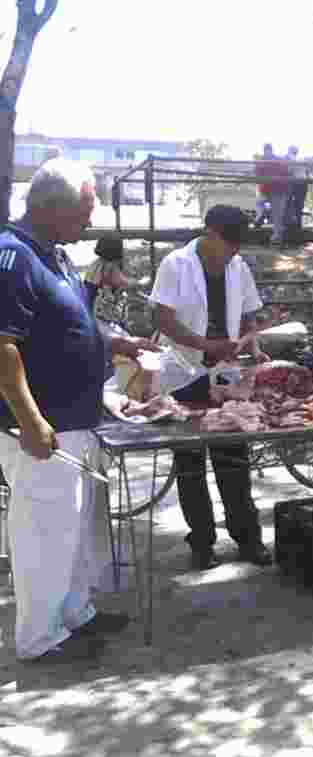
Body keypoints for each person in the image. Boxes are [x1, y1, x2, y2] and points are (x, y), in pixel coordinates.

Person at [0, 158, 159, 662]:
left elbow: (72, 325)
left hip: (79, 421)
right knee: (44, 533)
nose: (90, 224)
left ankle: (75, 614)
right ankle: (39, 639)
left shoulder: (57, 255)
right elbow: (3, 347)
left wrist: (118, 341)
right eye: (85, 212)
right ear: (52, 208)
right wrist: (30, 421)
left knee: (77, 531)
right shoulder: (14, 256)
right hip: (44, 430)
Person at [149, 205, 274, 570]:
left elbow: (249, 313)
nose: (233, 250)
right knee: (190, 463)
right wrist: (206, 345)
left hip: (226, 372)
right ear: (209, 233)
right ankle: (201, 543)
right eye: (228, 242)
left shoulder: (238, 266)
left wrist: (252, 343)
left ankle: (247, 537)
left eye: (238, 244)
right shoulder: (176, 264)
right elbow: (164, 320)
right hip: (184, 372)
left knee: (234, 456)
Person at [254, 143, 290, 245]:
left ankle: (263, 214)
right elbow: (286, 172)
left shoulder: (262, 160)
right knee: (276, 215)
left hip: (271, 189)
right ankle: (276, 237)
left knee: (262, 205)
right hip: (275, 189)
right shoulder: (276, 160)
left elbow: (256, 173)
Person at [285, 146, 309, 235]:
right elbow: (307, 172)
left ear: (290, 151)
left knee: (289, 204)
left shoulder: (290, 158)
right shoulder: (302, 159)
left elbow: (289, 171)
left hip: (295, 183)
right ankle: (298, 225)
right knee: (299, 205)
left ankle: (290, 226)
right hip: (303, 183)